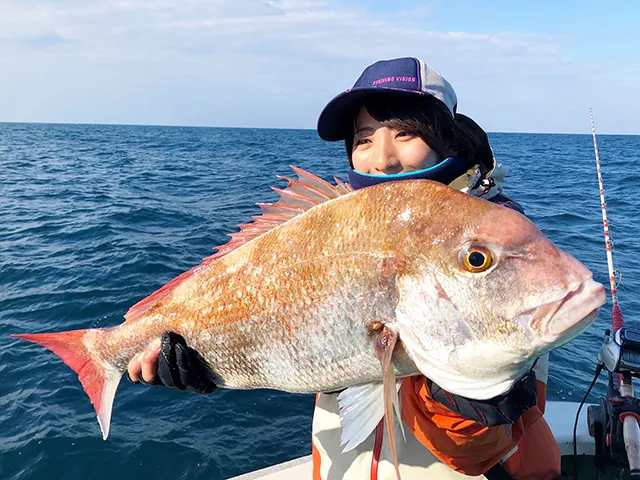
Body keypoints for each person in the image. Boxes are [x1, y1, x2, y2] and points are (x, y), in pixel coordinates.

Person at [127, 57, 560, 479]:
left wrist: (480, 394)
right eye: (364, 139)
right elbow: (311, 354)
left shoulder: (497, 248)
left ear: (446, 138)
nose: (382, 160)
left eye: (406, 132)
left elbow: (474, 452)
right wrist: (211, 363)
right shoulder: (340, 228)